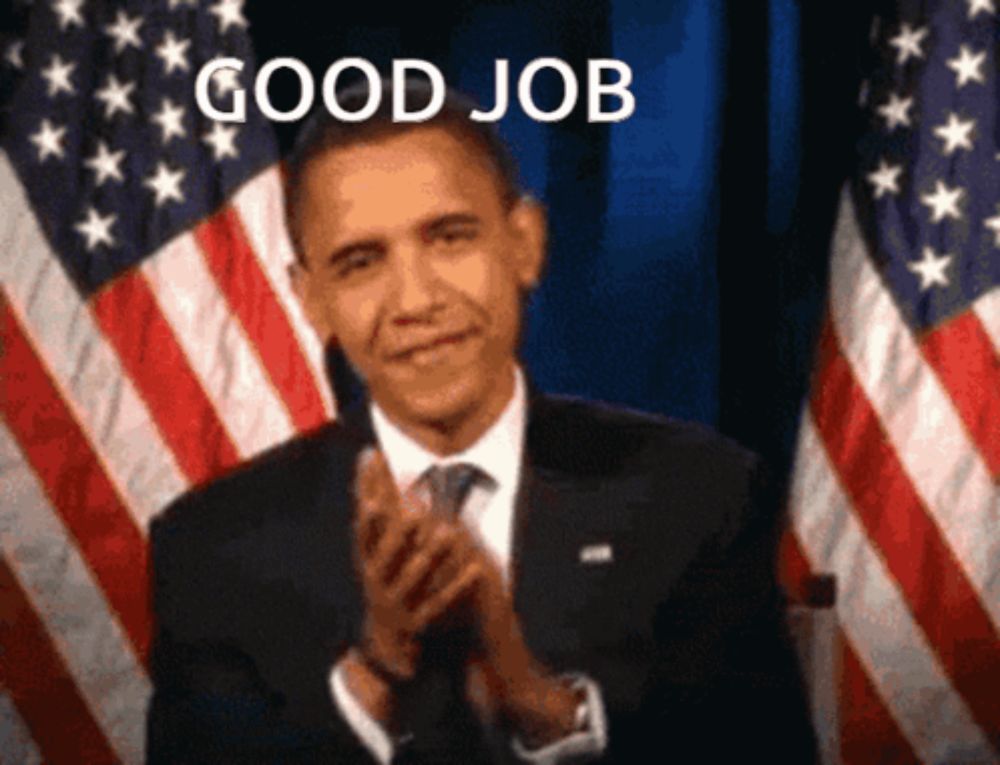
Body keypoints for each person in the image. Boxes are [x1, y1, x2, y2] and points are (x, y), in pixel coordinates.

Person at [146, 80, 816, 764]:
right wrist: (379, 671)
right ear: (312, 301)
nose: (415, 300)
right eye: (361, 262)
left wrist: (530, 694)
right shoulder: (214, 548)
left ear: (524, 242)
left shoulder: (697, 497)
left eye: (449, 237)